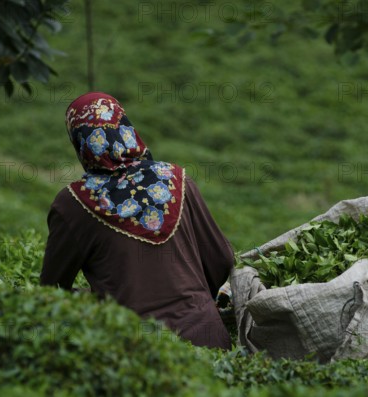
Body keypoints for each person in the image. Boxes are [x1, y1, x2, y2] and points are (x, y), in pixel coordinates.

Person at [40, 92, 234, 349]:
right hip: (208, 339)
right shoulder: (178, 179)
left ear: (80, 141)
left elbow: (51, 292)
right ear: (125, 127)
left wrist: (95, 299)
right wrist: (195, 303)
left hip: (137, 353)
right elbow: (222, 259)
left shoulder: (73, 203)